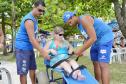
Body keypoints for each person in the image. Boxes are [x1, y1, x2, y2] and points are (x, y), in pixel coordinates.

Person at [63, 11, 114, 84]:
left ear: (72, 17)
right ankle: (97, 82)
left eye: (70, 22)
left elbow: (93, 38)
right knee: (95, 63)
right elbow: (88, 38)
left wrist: (79, 51)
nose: (70, 25)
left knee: (103, 64)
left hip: (105, 38)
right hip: (96, 41)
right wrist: (82, 51)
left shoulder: (84, 19)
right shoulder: (79, 26)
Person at [15, 1, 50, 84]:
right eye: (39, 10)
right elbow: (32, 40)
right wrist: (43, 52)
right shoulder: (29, 20)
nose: (41, 13)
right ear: (34, 7)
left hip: (29, 47)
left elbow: (35, 30)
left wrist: (44, 32)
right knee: (23, 72)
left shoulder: (35, 19)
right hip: (22, 48)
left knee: (32, 69)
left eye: (43, 11)